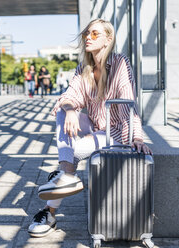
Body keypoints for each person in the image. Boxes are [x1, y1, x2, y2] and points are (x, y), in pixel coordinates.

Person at [28, 18, 153, 238]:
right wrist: (70, 110)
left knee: (75, 152)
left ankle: (50, 210)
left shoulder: (120, 63)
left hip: (116, 130)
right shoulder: (83, 69)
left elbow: (128, 102)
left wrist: (137, 138)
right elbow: (69, 97)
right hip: (96, 125)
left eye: (95, 34)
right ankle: (65, 175)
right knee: (62, 111)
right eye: (87, 33)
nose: (88, 37)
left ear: (108, 39)